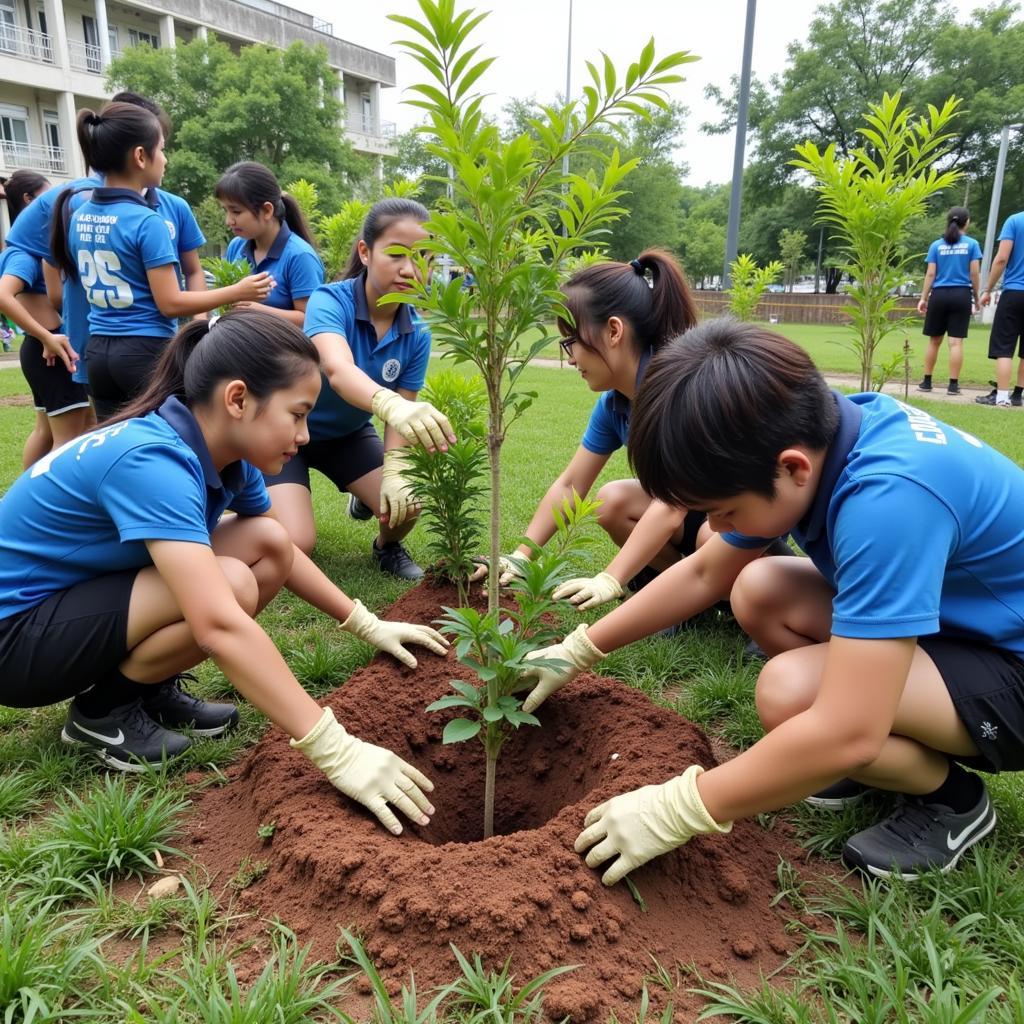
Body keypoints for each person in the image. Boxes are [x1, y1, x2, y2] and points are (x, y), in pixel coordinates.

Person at [520, 319, 1024, 883]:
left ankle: (953, 800)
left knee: (790, 695)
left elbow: (847, 728)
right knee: (759, 590)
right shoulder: (819, 430)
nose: (715, 527)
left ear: (792, 468)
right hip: (963, 623)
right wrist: (579, 648)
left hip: (1011, 663)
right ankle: (888, 762)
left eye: (724, 511)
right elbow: (705, 572)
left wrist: (680, 807)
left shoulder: (890, 502)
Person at [0, 310, 447, 835]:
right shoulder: (154, 462)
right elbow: (217, 622)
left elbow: (276, 549)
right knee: (229, 583)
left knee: (267, 542)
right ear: (237, 399)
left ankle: (147, 686)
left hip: (67, 602)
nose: (304, 436)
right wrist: (337, 749)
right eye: (298, 414)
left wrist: (365, 622)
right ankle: (102, 713)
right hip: (17, 639)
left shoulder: (224, 453)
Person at [470, 250, 707, 607]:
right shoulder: (615, 404)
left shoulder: (678, 391)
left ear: (613, 331)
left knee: (713, 536)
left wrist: (610, 578)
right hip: (688, 510)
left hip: (732, 519)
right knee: (611, 502)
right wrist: (521, 556)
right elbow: (570, 485)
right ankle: (689, 594)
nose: (569, 357)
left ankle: (720, 591)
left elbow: (670, 505)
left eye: (571, 341)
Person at [265, 197, 455, 580]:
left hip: (349, 436)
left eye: (423, 258)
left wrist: (398, 468)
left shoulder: (417, 331)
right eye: (396, 254)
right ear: (366, 252)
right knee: (296, 544)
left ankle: (386, 547)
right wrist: (389, 403)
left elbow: (405, 405)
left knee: (409, 502)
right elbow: (337, 368)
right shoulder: (328, 300)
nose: (410, 269)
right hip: (288, 434)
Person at [49, 103, 274, 421]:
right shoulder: (146, 220)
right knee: (170, 445)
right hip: (146, 353)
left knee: (119, 449)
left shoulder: (80, 214)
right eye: (162, 149)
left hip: (97, 353)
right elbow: (170, 302)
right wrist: (238, 291)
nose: (166, 159)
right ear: (141, 156)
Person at [0, 169, 90, 465]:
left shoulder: (30, 250)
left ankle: (23, 503)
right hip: (50, 352)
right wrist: (47, 336)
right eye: (47, 197)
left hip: (44, 349)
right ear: (29, 200)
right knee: (68, 439)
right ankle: (42, 506)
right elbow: (2, 295)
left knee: (46, 433)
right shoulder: (23, 254)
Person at [217, 161, 325, 326]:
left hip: (281, 351)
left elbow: (311, 320)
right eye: (226, 211)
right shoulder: (236, 247)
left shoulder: (300, 256)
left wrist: (259, 312)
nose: (229, 221)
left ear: (267, 210)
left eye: (236, 211)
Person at [916, 207, 981, 396]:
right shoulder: (972, 244)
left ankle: (927, 382)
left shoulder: (937, 245)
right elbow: (974, 273)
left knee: (934, 341)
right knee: (956, 343)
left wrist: (923, 298)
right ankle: (953, 385)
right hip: (961, 294)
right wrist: (976, 297)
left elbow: (930, 273)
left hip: (939, 295)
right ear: (966, 222)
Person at [976, 209, 1024, 408]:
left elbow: (1002, 258)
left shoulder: (1014, 220)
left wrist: (987, 289)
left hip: (1014, 291)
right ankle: (1018, 395)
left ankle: (1002, 396)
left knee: (1004, 347)